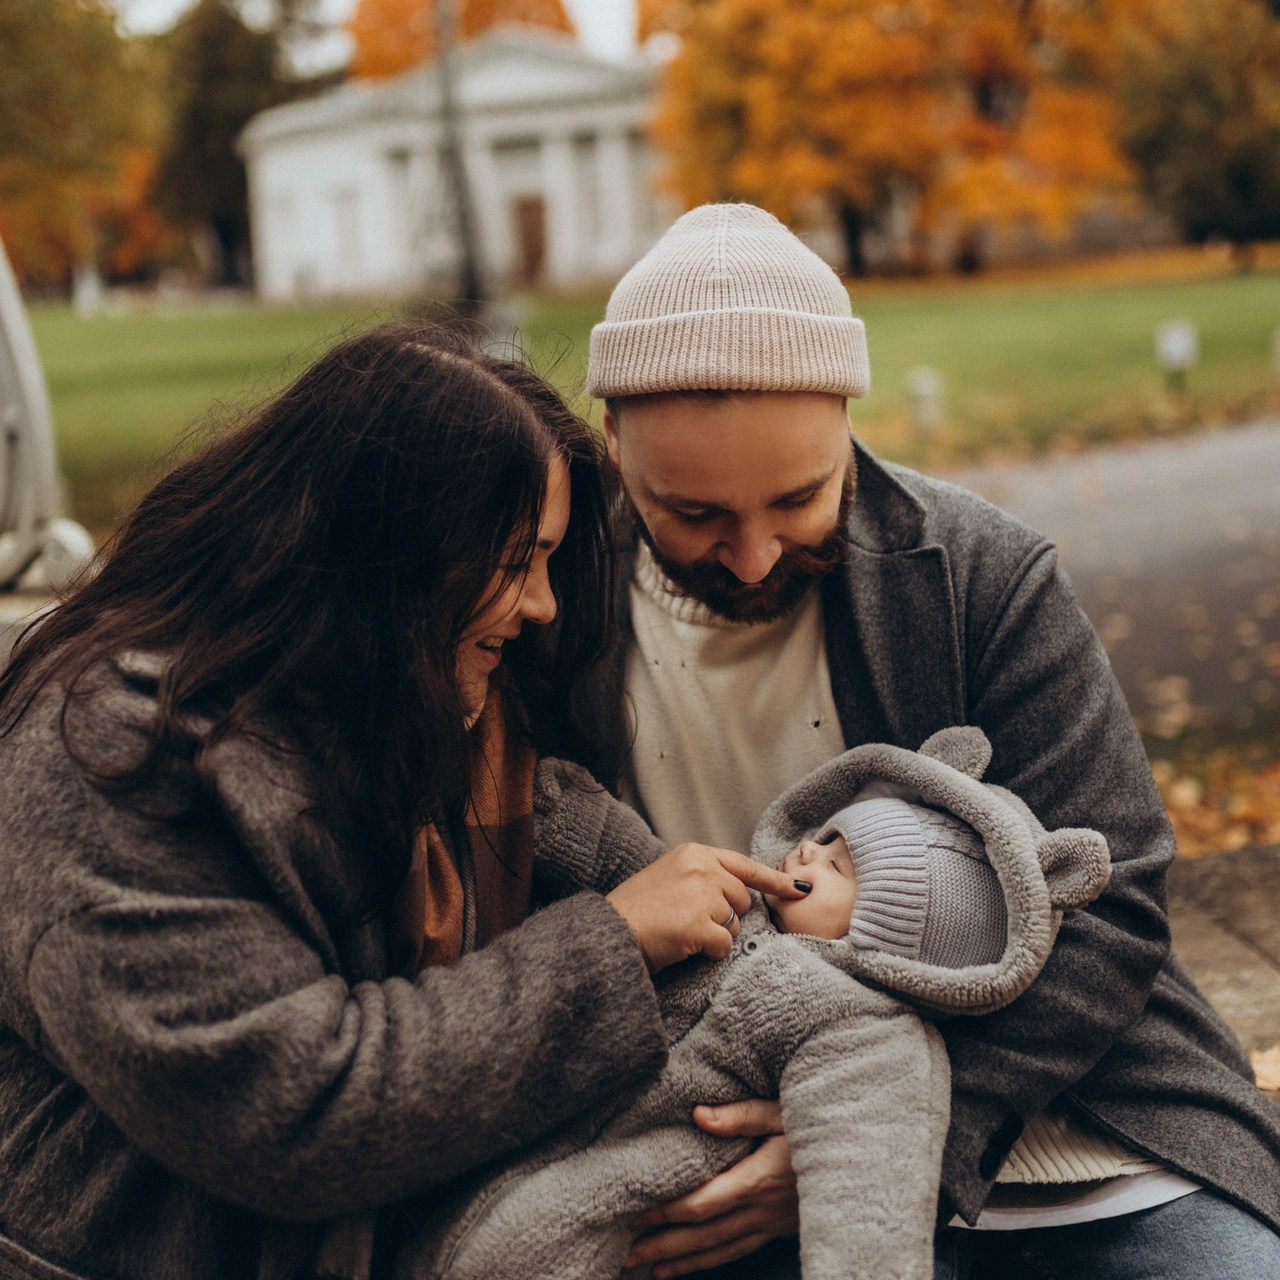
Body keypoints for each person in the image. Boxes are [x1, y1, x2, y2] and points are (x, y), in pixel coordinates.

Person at [0, 320, 811, 1280]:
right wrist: (610, 944)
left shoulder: (439, 715)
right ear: (385, 556)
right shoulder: (108, 751)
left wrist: (800, 1099)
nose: (545, 602)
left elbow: (689, 918)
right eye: (519, 559)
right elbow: (295, 1109)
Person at [583, 203, 1280, 1280]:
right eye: (693, 515)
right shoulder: (547, 608)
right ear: (611, 444)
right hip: (720, 1146)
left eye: (798, 497)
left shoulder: (982, 575)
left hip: (1074, 1121)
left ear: (847, 425)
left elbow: (1116, 894)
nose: (757, 555)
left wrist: (861, 1146)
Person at [403, 726, 1111, 1280]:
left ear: (886, 938)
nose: (807, 852)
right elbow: (627, 856)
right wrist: (548, 796)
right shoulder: (733, 907)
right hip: (500, 1148)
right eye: (826, 836)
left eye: (836, 868)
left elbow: (870, 1194)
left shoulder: (869, 1033)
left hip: (601, 1211)